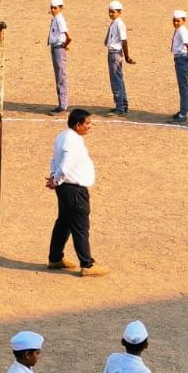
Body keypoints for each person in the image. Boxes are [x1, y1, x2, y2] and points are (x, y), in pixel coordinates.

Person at [48, 109, 106, 277]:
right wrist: (56, 179)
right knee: (80, 227)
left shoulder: (62, 136)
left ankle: (55, 258)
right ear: (78, 124)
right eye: (87, 123)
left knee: (64, 223)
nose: (89, 126)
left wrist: (54, 179)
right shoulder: (73, 142)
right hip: (74, 190)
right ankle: (87, 264)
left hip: (65, 188)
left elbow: (54, 160)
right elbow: (65, 166)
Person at [104, 0, 134, 116]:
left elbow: (124, 41)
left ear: (119, 12)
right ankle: (123, 105)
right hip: (113, 52)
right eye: (110, 12)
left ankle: (120, 108)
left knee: (116, 80)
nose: (111, 14)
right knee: (118, 79)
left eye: (113, 12)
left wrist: (127, 57)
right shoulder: (114, 23)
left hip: (115, 53)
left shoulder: (119, 24)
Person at [168, 10, 188, 123]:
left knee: (183, 86)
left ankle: (183, 114)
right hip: (180, 58)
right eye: (174, 21)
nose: (176, 23)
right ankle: (183, 110)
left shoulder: (182, 31)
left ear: (184, 20)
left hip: (182, 59)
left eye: (178, 21)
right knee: (182, 86)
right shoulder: (179, 30)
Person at [47, 0, 70, 116]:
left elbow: (69, 36)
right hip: (55, 48)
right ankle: (61, 104)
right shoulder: (56, 19)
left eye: (55, 8)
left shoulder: (60, 19)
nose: (52, 10)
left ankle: (64, 106)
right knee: (59, 76)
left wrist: (64, 45)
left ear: (61, 8)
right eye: (51, 7)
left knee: (61, 76)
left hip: (58, 48)